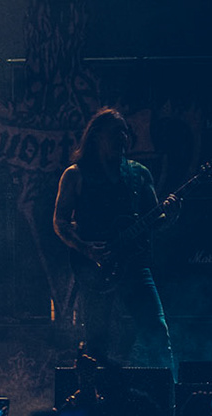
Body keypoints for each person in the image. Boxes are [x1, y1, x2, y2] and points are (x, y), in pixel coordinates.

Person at [53, 107, 174, 368]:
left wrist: (171, 215)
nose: (123, 138)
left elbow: (156, 220)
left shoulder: (139, 174)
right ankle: (95, 402)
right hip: (95, 268)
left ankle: (168, 396)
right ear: (96, 136)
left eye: (126, 132)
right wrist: (85, 249)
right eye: (116, 132)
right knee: (97, 344)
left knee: (156, 329)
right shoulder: (75, 174)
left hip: (135, 267)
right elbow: (60, 222)